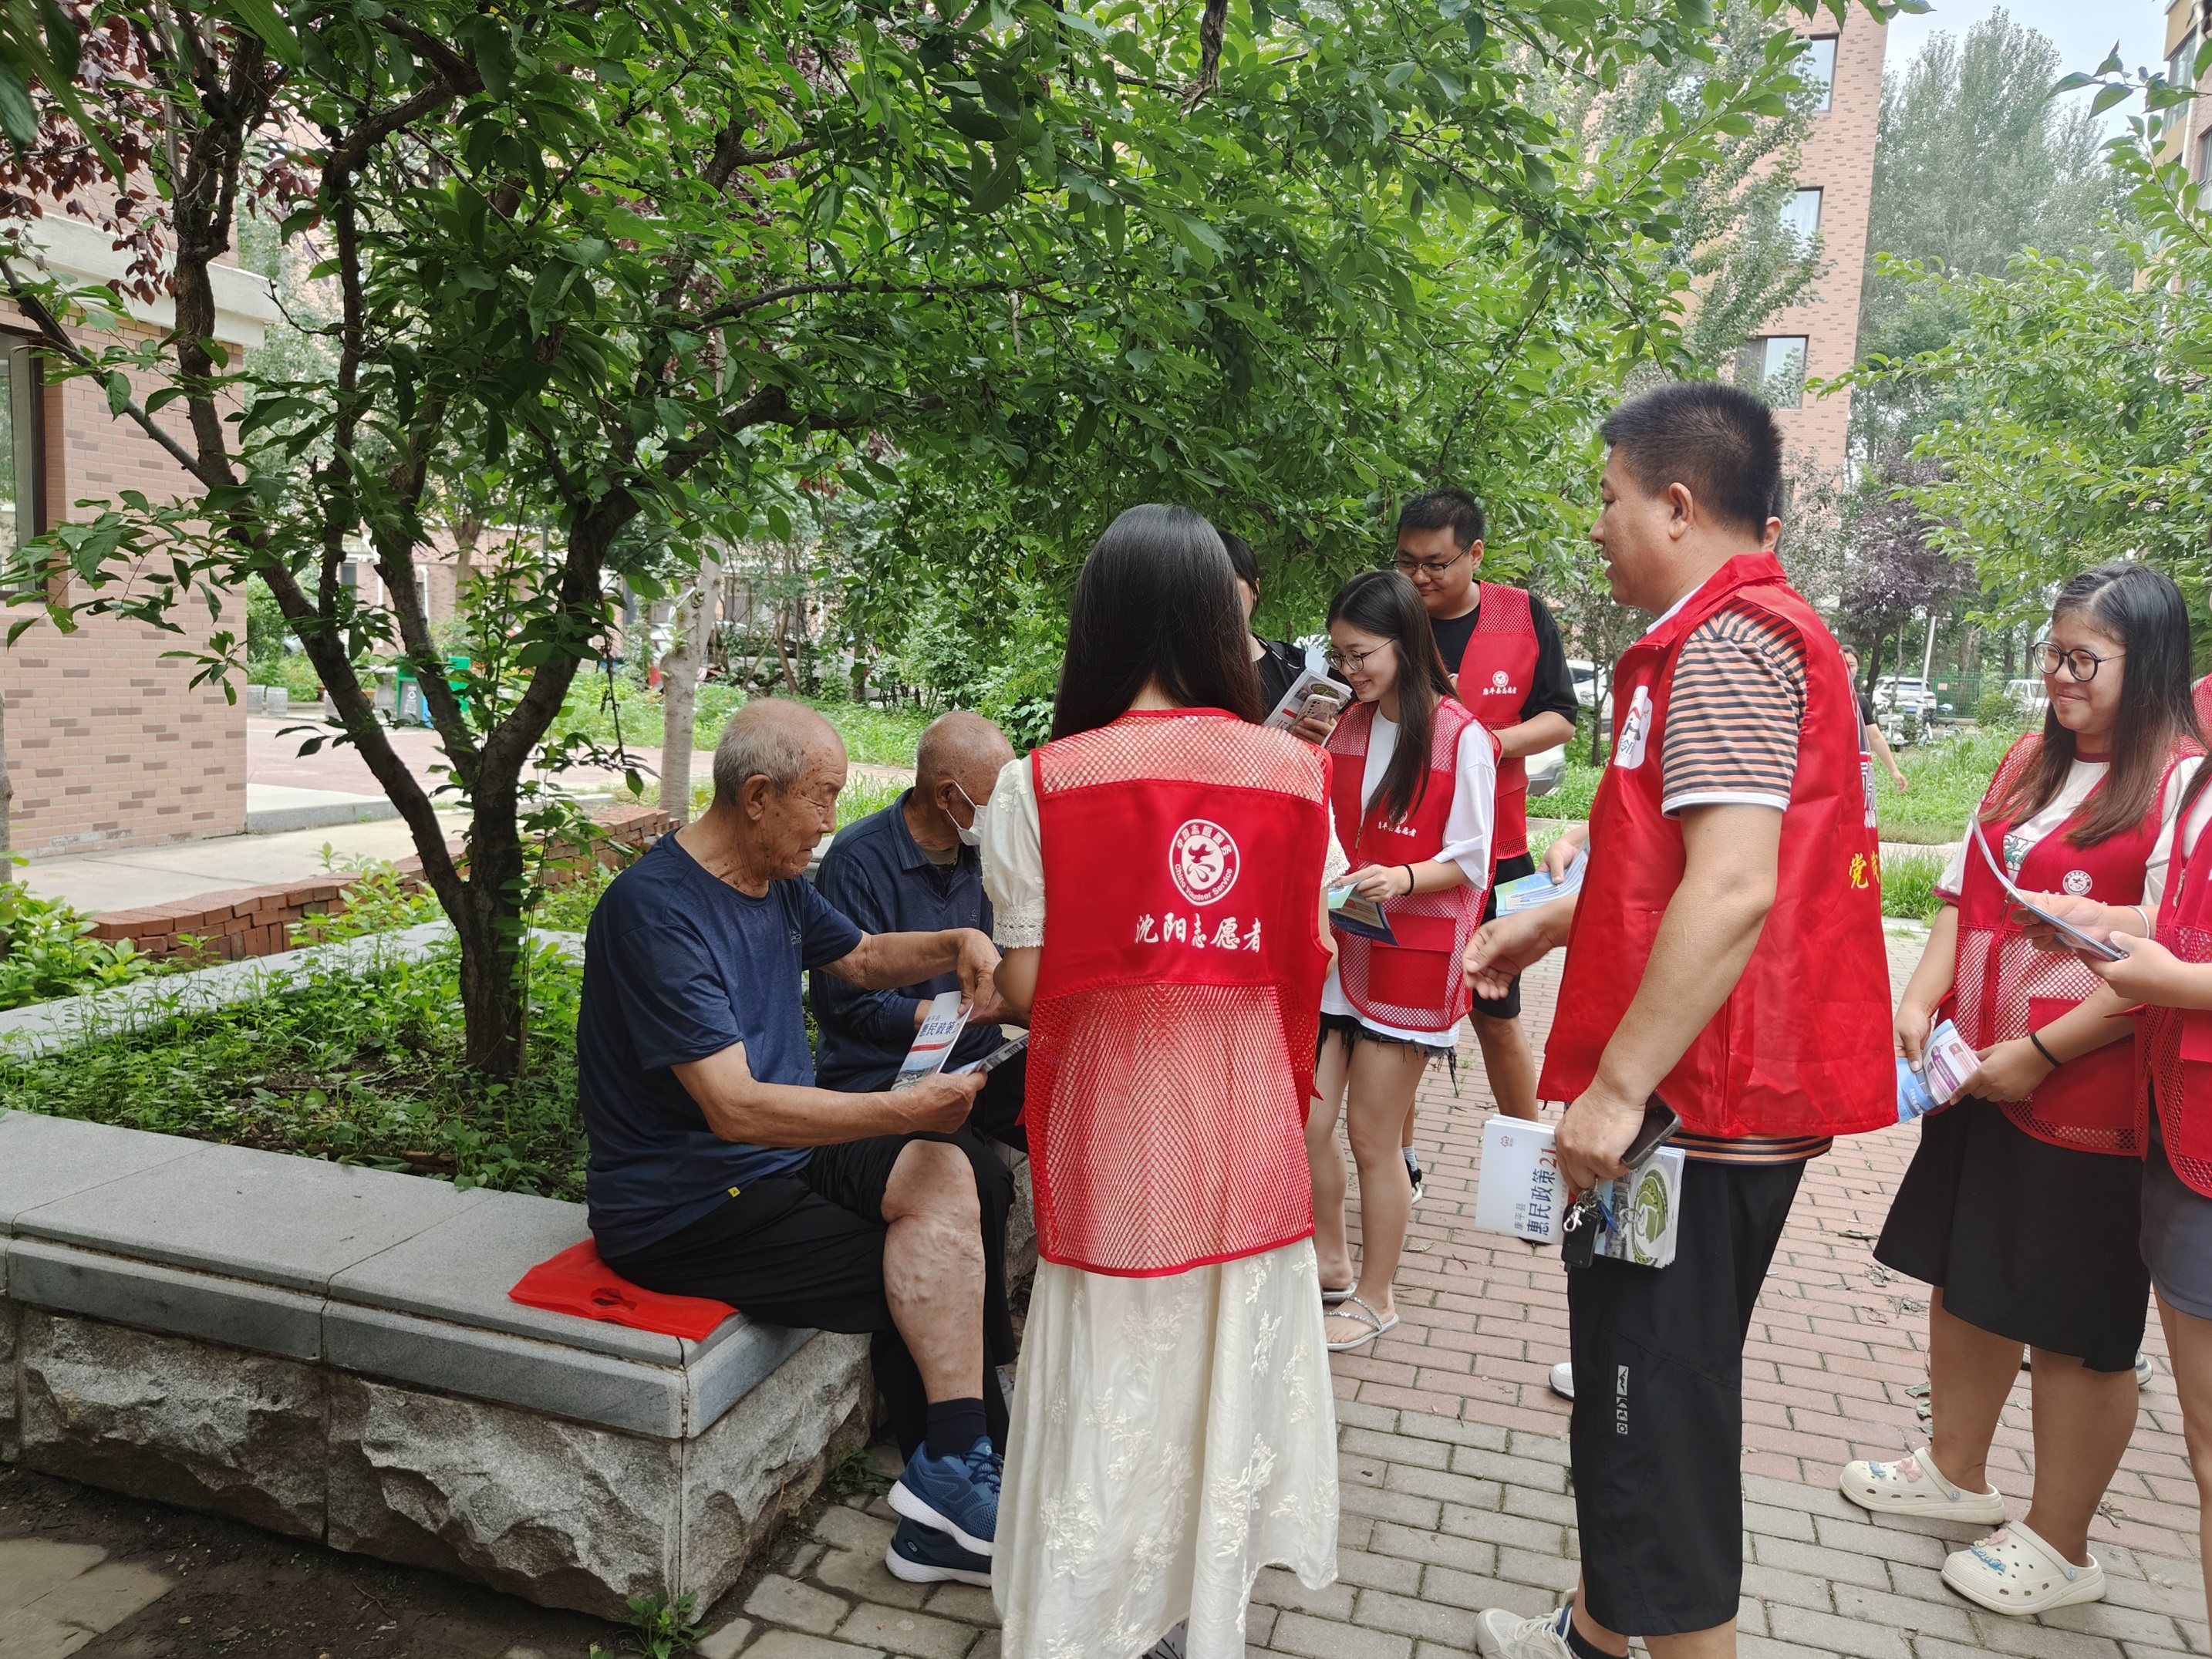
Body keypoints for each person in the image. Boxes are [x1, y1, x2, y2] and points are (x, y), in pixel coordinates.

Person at [1462, 382, 1893, 1659]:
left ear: (1676, 502)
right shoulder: (1732, 635)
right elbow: (1690, 850)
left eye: (1605, 499)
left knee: (1657, 1416)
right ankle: (1598, 1632)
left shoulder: (1725, 644)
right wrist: (1553, 917)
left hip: (1700, 1104)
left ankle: (1659, 1632)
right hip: (1710, 1093)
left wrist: (1614, 1089)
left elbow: (1734, 882)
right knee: (1631, 1397)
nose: (1594, 528)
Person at [980, 504, 1341, 1659]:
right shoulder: (1296, 776)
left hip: (1118, 1138)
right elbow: (1303, 951)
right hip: (1243, 1141)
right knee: (1216, 1372)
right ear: (1217, 624)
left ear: (1100, 623)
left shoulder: (1042, 784)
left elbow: (1035, 988)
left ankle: (1094, 1617)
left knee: (1116, 1370)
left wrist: (994, 970)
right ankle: (1198, 1613)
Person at [1836, 565, 2204, 1617]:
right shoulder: (2027, 761)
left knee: (2076, 1318)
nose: (2058, 675)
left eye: (2084, 658)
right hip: (1980, 1071)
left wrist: (2043, 1052)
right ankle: (1955, 1468)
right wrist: (1921, 998)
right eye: (2052, 652)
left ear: (2152, 663)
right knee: (1971, 1267)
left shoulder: (2180, 779)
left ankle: (2061, 1536)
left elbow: (2169, 957)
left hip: (2092, 1095)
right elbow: (1964, 892)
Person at [576, 699, 1014, 1571]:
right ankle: (959, 1476)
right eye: (823, 799)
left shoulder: (773, 882)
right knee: (929, 1257)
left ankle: (953, 1471)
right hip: (687, 1203)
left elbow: (857, 958)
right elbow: (734, 1108)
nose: (831, 823)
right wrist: (903, 1108)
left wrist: (956, 938)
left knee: (953, 1176)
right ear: (759, 796)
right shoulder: (655, 913)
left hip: (781, 1161)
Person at [2033, 737, 2212, 1643]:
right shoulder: (2200, 757)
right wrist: (2107, 919)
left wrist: (2177, 980)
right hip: (2181, 1128)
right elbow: (2184, 918)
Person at [1310, 568, 1497, 1350]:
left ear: (1404, 643)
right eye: (1341, 655)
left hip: (1411, 960)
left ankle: (1378, 1297)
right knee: (1308, 1124)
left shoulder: (1462, 736)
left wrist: (1406, 876)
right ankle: (1328, 1262)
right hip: (1337, 950)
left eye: (1362, 655)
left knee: (1372, 1139)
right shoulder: (1339, 723)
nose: (1350, 670)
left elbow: (1477, 858)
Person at [1394, 488, 1578, 1145]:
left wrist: (1489, 742)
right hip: (1410, 856)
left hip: (1500, 854)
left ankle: (1531, 1155)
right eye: (1408, 562)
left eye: (1436, 563)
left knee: (1496, 1014)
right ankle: (1401, 1156)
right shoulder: (1393, 616)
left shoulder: (1523, 615)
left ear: (1475, 554)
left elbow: (1561, 714)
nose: (1419, 578)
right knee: (1402, 1019)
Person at [812, 710, 1029, 1152]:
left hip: (978, 1056)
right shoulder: (857, 861)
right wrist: (977, 1013)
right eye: (993, 801)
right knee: (975, 1178)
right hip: (884, 1072)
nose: (1002, 816)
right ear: (947, 795)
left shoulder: (985, 854)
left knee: (1076, 1114)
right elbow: (849, 1007)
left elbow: (1002, 958)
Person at [1220, 529, 1313, 713]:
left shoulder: (1291, 664)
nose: (1219, 599)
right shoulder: (1175, 670)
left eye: (1229, 584)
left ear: (1256, 588)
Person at [1841, 645, 1909, 796]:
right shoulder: (1819, 697)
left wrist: (1894, 770)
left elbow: (1875, 737)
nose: (1847, 668)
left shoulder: (1861, 702)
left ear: (1858, 668)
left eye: (1852, 665)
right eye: (1843, 664)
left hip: (1852, 769)